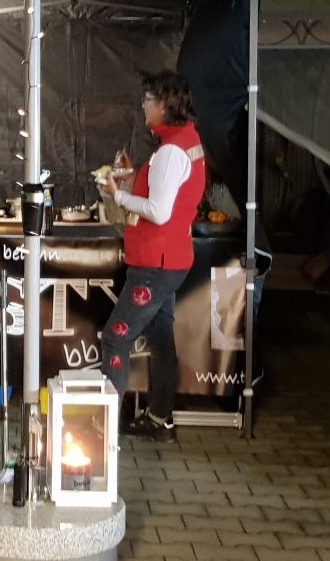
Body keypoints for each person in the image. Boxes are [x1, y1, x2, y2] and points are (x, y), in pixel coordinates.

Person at [97, 71, 207, 439]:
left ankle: (105, 432)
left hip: (154, 263)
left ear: (165, 105)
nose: (143, 105)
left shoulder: (170, 152)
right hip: (172, 259)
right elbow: (169, 192)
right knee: (161, 340)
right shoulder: (186, 141)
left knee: (115, 338)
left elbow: (159, 211)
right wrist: (134, 177)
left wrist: (117, 194)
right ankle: (161, 419)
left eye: (148, 99)